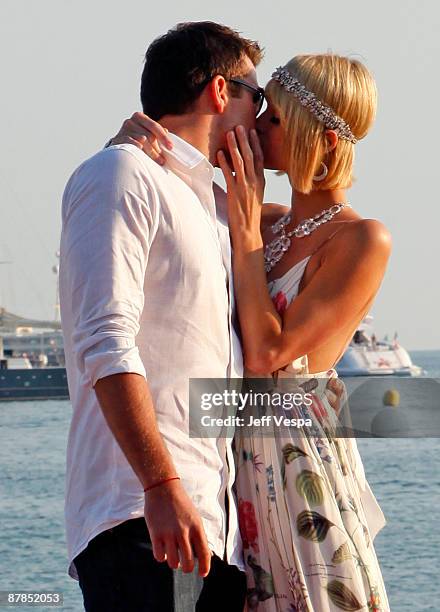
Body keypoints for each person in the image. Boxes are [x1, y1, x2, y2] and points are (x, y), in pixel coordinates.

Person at [115, 54, 391, 610]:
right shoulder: (261, 218)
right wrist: (131, 142)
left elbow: (267, 355)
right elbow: (169, 192)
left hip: (294, 460)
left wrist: (245, 231)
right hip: (227, 459)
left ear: (323, 142)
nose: (256, 125)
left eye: (275, 120)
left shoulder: (361, 240)